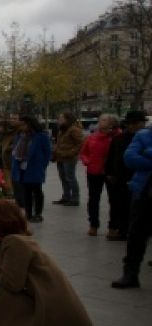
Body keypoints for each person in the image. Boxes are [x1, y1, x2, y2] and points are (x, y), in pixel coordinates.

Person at [0, 199, 92, 324]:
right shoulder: (13, 239)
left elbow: (12, 283)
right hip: (38, 296)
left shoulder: (15, 242)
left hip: (46, 305)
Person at [113, 111, 152, 289]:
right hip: (144, 192)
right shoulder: (143, 135)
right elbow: (130, 158)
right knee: (136, 234)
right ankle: (130, 273)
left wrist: (149, 153)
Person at [106, 111, 145, 241]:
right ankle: (122, 230)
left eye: (138, 123)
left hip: (141, 179)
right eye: (131, 124)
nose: (134, 126)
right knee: (120, 205)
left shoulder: (146, 139)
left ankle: (136, 231)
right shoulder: (119, 139)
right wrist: (110, 173)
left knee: (139, 208)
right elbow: (111, 157)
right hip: (120, 178)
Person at [81, 114, 119, 236]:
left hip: (111, 172)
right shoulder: (92, 137)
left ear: (112, 123)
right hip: (94, 171)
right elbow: (84, 152)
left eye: (104, 120)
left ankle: (113, 226)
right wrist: (87, 161)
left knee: (114, 199)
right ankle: (93, 224)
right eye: (100, 119)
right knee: (93, 199)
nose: (100, 122)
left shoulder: (117, 136)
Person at [12, 115, 52, 223]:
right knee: (26, 192)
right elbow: (15, 149)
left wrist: (42, 165)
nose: (22, 127)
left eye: (24, 124)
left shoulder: (41, 136)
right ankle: (28, 213)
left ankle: (38, 213)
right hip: (22, 167)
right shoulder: (20, 136)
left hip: (35, 167)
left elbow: (47, 152)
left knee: (37, 191)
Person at [53, 112, 84, 206]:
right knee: (63, 178)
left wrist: (71, 153)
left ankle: (75, 198)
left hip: (69, 158)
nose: (58, 120)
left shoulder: (73, 129)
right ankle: (66, 197)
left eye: (61, 118)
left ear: (67, 119)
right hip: (60, 157)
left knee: (70, 178)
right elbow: (59, 143)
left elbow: (80, 143)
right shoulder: (62, 130)